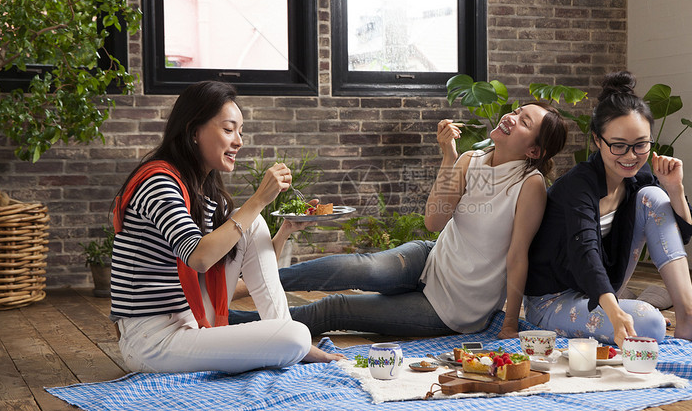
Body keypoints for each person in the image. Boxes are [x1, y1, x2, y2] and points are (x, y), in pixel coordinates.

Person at [233, 101, 567, 340]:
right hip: (430, 258)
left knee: (335, 309)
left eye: (524, 122)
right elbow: (434, 221)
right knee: (356, 268)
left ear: (534, 151)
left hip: (452, 307)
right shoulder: (470, 160)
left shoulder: (529, 185)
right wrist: (449, 156)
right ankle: (255, 282)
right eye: (516, 111)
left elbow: (518, 255)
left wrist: (510, 324)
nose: (512, 117)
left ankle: (234, 324)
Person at [109, 81, 344, 373]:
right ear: (194, 131)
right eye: (228, 129)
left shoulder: (202, 191)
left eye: (240, 132)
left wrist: (283, 232)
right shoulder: (158, 182)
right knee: (295, 335)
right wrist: (258, 200)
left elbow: (249, 276)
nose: (239, 141)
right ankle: (289, 338)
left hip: (190, 317)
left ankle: (285, 334)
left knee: (254, 224)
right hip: (152, 340)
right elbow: (200, 258)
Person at [525, 71, 692, 349]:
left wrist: (675, 188)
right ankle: (623, 308)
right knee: (650, 323)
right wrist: (615, 312)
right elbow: (585, 252)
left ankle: (690, 315)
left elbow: (679, 238)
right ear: (597, 140)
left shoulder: (638, 177)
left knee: (654, 196)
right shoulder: (577, 185)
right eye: (618, 146)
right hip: (553, 300)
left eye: (640, 145)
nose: (630, 156)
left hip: (602, 292)